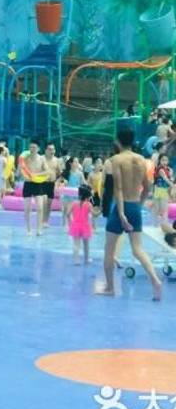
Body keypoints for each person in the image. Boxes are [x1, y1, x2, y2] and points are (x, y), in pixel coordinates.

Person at [99, 129, 162, 301]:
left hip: (120, 207)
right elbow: (147, 188)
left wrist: (121, 213)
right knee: (138, 249)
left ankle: (110, 288)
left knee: (109, 249)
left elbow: (118, 189)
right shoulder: (142, 160)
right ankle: (155, 280)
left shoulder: (116, 160)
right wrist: (138, 206)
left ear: (117, 141)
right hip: (135, 206)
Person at [22, 139, 48, 236]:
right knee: (27, 208)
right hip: (28, 184)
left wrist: (36, 175)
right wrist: (25, 175)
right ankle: (28, 229)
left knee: (40, 207)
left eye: (34, 147)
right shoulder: (25, 158)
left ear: (38, 149)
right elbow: (21, 169)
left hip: (38, 184)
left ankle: (39, 229)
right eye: (30, 147)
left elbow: (47, 171)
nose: (32, 149)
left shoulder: (41, 159)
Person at [67, 185, 94, 265]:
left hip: (75, 225)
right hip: (85, 226)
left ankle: (76, 260)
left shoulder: (74, 203)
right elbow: (94, 214)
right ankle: (86, 259)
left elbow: (68, 214)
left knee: (76, 244)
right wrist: (100, 211)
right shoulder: (88, 204)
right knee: (86, 244)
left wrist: (70, 222)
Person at [60, 157, 85, 227]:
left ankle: (73, 226)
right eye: (75, 162)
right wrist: (62, 183)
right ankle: (66, 224)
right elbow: (60, 181)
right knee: (66, 211)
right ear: (71, 163)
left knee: (73, 212)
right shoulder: (66, 173)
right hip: (67, 195)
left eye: (77, 162)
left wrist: (87, 189)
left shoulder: (80, 174)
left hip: (76, 196)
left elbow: (83, 183)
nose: (77, 163)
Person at [42, 142, 61, 227]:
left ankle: (46, 221)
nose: (52, 151)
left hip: (51, 184)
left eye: (53, 149)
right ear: (45, 150)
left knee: (49, 204)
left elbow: (60, 174)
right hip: (42, 183)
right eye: (50, 149)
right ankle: (41, 220)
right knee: (43, 202)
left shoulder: (56, 160)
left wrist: (57, 182)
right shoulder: (41, 159)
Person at [153, 153, 174, 224]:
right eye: (163, 160)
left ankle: (158, 223)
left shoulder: (169, 169)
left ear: (168, 161)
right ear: (159, 161)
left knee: (160, 208)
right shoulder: (160, 170)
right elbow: (166, 179)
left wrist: (170, 174)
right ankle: (162, 223)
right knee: (162, 209)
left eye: (166, 160)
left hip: (163, 190)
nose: (165, 162)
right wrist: (173, 186)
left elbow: (170, 178)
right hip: (160, 190)